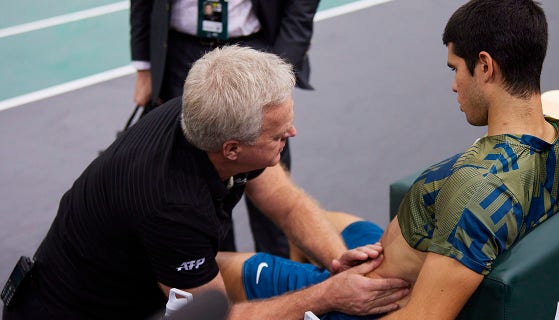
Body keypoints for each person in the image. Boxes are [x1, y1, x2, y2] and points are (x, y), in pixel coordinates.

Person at [214, 0, 559, 319]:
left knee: (222, 270)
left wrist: (330, 295)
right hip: (397, 254)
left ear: (485, 66)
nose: (454, 84)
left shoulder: (477, 193)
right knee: (327, 220)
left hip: (360, 302)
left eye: (455, 68)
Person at [1, 46, 409, 319]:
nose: (293, 134)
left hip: (132, 271)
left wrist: (336, 261)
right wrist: (330, 295)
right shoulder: (172, 206)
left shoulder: (208, 113)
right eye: (279, 135)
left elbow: (283, 201)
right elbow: (216, 315)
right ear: (232, 149)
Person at [130, 0, 320, 257]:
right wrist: (145, 67)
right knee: (198, 184)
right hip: (181, 55)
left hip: (255, 52)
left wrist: (282, 64)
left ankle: (279, 278)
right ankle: (216, 275)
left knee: (269, 173)